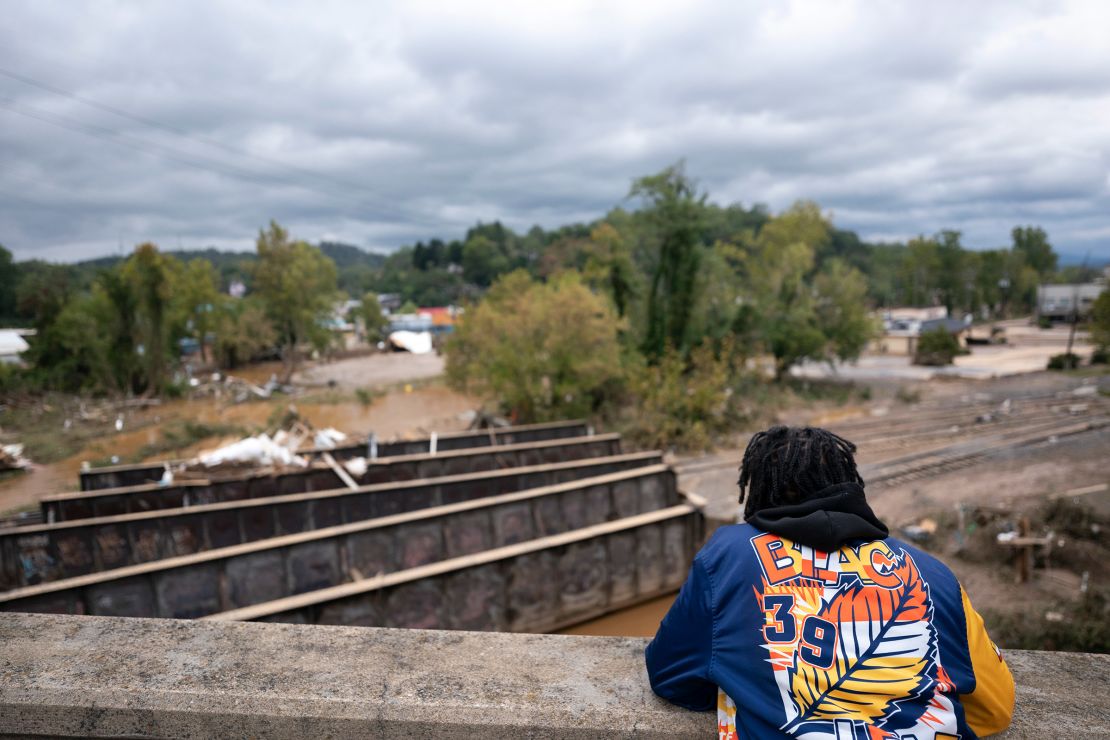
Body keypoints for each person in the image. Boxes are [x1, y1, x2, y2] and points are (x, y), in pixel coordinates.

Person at [646, 426, 1014, 739]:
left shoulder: (726, 557)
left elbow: (669, 675)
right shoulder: (931, 573)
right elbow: (995, 709)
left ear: (757, 490)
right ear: (849, 483)